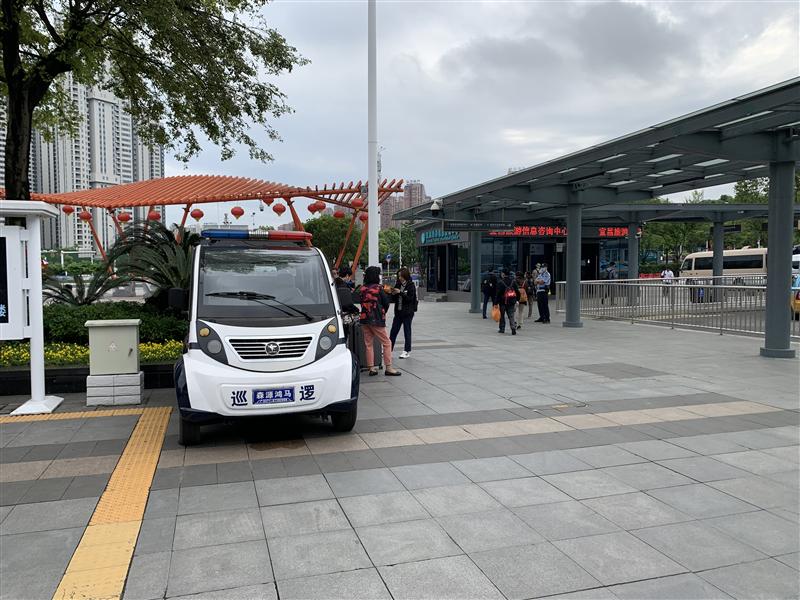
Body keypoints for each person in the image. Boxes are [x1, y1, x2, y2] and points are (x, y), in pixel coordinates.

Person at [359, 266, 400, 376]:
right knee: (387, 343)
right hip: (376, 319)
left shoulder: (362, 289)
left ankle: (371, 368)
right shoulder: (378, 288)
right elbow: (386, 303)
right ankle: (389, 367)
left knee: (368, 344)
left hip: (364, 318)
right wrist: (382, 312)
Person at [389, 267, 417, 359]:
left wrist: (400, 292)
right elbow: (394, 299)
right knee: (393, 331)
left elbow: (409, 299)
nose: (400, 278)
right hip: (398, 312)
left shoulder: (411, 285)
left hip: (408, 312)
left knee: (407, 331)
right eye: (398, 276)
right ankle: (389, 349)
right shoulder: (397, 284)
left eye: (401, 276)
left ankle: (406, 351)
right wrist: (392, 293)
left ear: (405, 276)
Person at [495, 268, 518, 335]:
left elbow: (498, 294)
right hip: (511, 301)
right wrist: (517, 299)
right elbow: (517, 291)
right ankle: (513, 327)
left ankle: (502, 329)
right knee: (511, 315)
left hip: (503, 302)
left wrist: (495, 303)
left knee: (502, 315)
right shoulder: (513, 281)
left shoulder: (500, 282)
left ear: (503, 274)